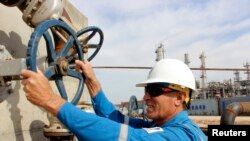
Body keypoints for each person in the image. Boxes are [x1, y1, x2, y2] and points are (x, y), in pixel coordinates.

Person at [21, 58, 208, 141]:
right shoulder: (158, 127)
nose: (145, 97)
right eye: (146, 90)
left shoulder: (183, 136)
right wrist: (92, 83)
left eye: (154, 90)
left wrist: (50, 100)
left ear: (180, 97)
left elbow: (123, 137)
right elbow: (117, 120)